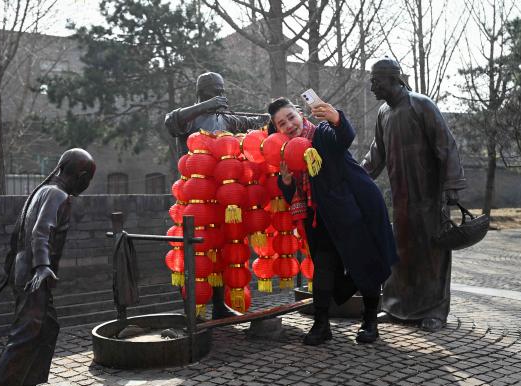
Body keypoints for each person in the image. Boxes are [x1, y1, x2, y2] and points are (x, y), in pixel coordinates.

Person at [0, 149, 96, 386]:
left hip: (24, 270)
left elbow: (18, 233)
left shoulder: (42, 192)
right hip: (34, 274)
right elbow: (40, 231)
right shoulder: (58, 195)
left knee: (48, 326)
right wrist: (41, 266)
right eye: (87, 180)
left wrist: (9, 271)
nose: (86, 187)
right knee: (25, 334)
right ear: (81, 176)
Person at [271, 97, 398, 346]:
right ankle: (321, 325)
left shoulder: (322, 134)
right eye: (281, 123)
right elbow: (294, 194)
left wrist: (336, 118)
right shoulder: (285, 153)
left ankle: (370, 323)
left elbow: (344, 136)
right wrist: (285, 181)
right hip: (320, 219)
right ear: (277, 129)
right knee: (324, 270)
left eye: (290, 117)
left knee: (365, 265)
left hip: (354, 210)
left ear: (300, 115)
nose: (288, 125)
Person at [361, 58, 467, 332]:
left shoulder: (421, 104)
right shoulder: (384, 113)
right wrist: (356, 177)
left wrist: (452, 185)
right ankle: (398, 307)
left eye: (376, 81)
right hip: (401, 197)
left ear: (393, 78)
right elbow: (376, 154)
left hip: (429, 196)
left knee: (431, 255)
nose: (372, 87)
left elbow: (446, 145)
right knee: (401, 252)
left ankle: (434, 310)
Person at [165, 71, 269, 319]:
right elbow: (170, 121)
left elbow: (251, 122)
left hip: (222, 196)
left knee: (222, 250)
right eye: (215, 90)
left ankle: (220, 307)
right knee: (195, 252)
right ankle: (193, 310)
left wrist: (270, 118)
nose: (220, 95)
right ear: (202, 93)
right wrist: (206, 106)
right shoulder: (190, 118)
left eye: (222, 90)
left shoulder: (226, 119)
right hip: (195, 198)